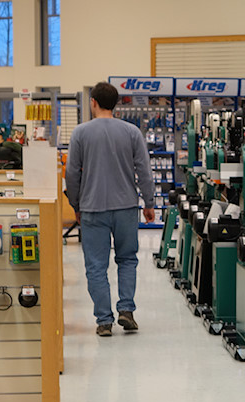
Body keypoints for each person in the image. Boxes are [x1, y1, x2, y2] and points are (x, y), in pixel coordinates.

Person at [66, 82, 156, 337]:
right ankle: (126, 310)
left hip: (93, 208)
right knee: (127, 259)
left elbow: (72, 174)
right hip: (126, 206)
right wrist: (148, 203)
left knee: (96, 265)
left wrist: (76, 204)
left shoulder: (80, 134)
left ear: (92, 102)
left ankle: (104, 321)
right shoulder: (131, 132)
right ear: (115, 104)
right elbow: (144, 172)